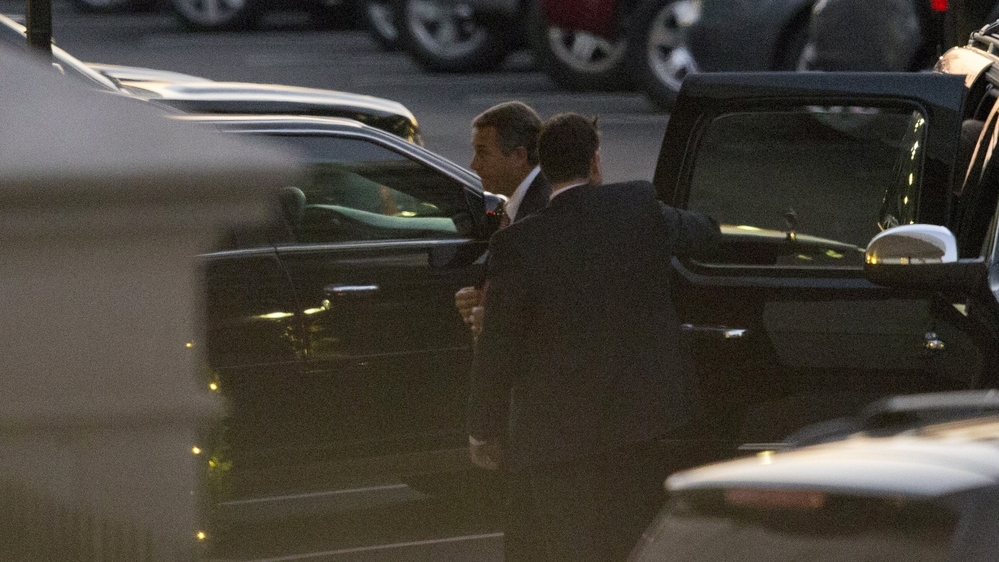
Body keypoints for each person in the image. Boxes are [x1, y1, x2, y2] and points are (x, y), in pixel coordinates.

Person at [467, 113, 720, 561]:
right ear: (595, 161)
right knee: (632, 544)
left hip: (556, 437)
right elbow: (705, 234)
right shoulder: (639, 208)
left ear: (543, 166)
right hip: (640, 424)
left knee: (569, 546)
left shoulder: (520, 244)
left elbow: (498, 347)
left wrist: (483, 430)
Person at [454, 101, 552, 339]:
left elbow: (549, 298)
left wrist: (495, 314)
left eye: (483, 152)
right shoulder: (516, 204)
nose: (473, 165)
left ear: (519, 155)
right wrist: (480, 296)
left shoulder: (545, 209)